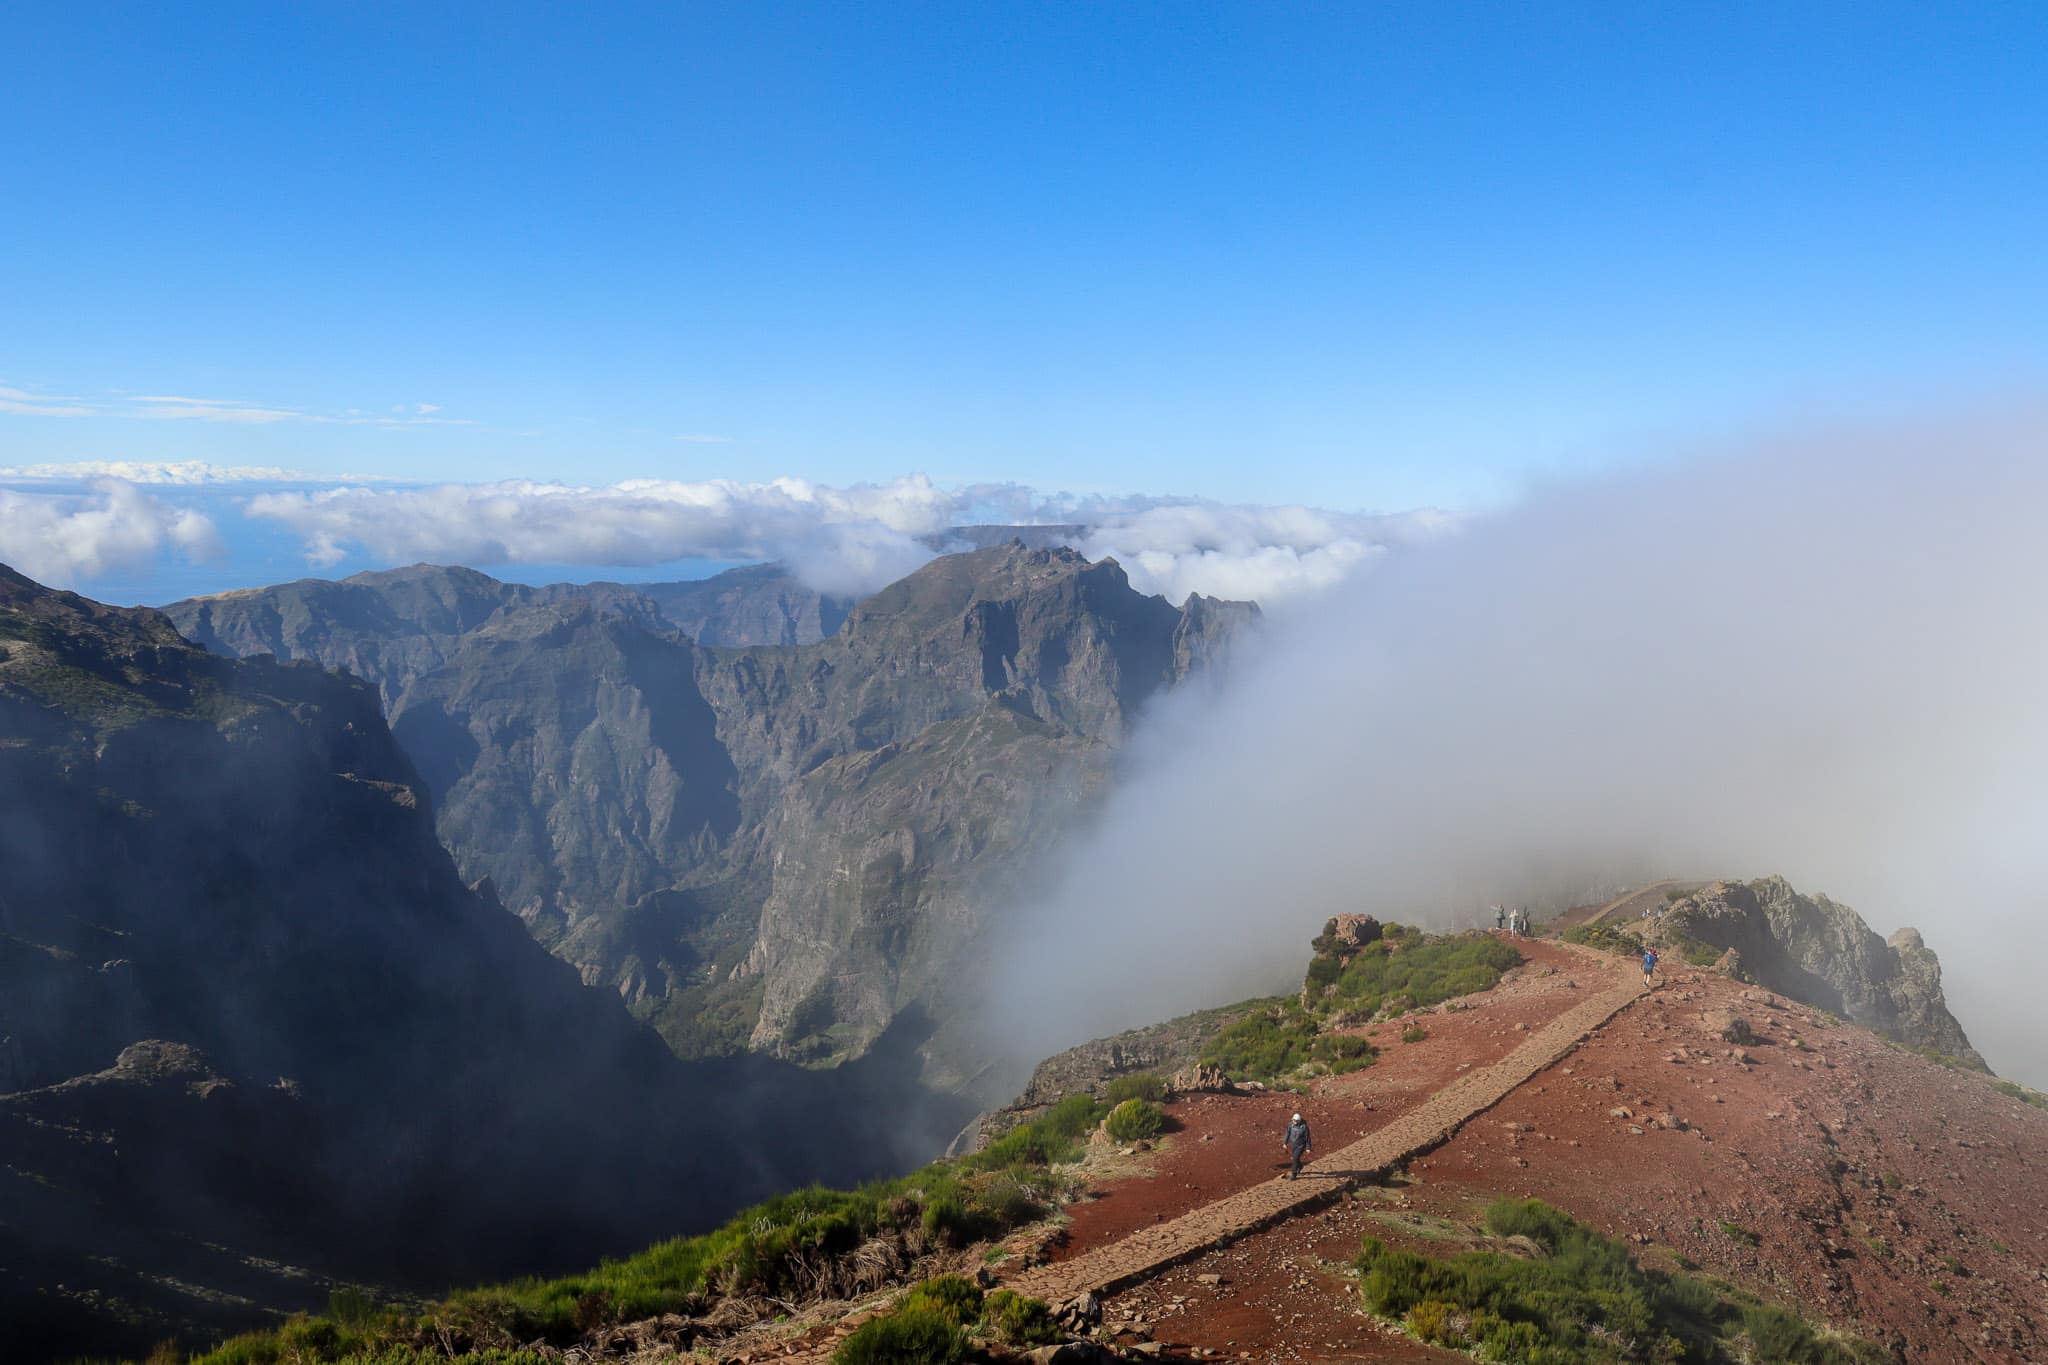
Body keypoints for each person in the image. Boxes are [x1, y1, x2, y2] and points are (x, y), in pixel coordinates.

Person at [1284, 1112, 1313, 1180]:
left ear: (1299, 1121)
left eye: (1296, 1121)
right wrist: (1285, 1142)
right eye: (1293, 1120)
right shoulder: (1290, 1125)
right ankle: (1300, 1166)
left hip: (1301, 1146)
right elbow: (1287, 1133)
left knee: (1294, 1159)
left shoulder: (1304, 1127)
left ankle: (1294, 1174)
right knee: (1295, 1158)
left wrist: (1308, 1147)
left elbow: (1307, 1138)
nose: (1295, 1122)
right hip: (1293, 1145)